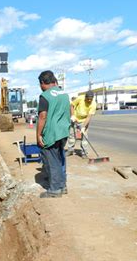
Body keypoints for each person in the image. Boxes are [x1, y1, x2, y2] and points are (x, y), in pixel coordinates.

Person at [36, 70, 71, 198]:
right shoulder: (64, 94)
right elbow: (69, 110)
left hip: (52, 133)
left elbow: (42, 116)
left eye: (40, 85)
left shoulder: (45, 96)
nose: (41, 87)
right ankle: (62, 185)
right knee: (61, 158)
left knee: (52, 160)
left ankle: (55, 189)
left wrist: (39, 135)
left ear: (43, 83)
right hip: (63, 131)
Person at [66, 91, 97, 158]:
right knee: (71, 135)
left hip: (84, 120)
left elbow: (89, 117)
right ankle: (70, 150)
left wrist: (83, 127)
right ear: (85, 97)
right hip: (75, 118)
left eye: (90, 99)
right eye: (88, 98)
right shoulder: (80, 98)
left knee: (84, 137)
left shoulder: (93, 104)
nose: (89, 100)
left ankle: (84, 152)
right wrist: (72, 115)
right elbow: (72, 105)